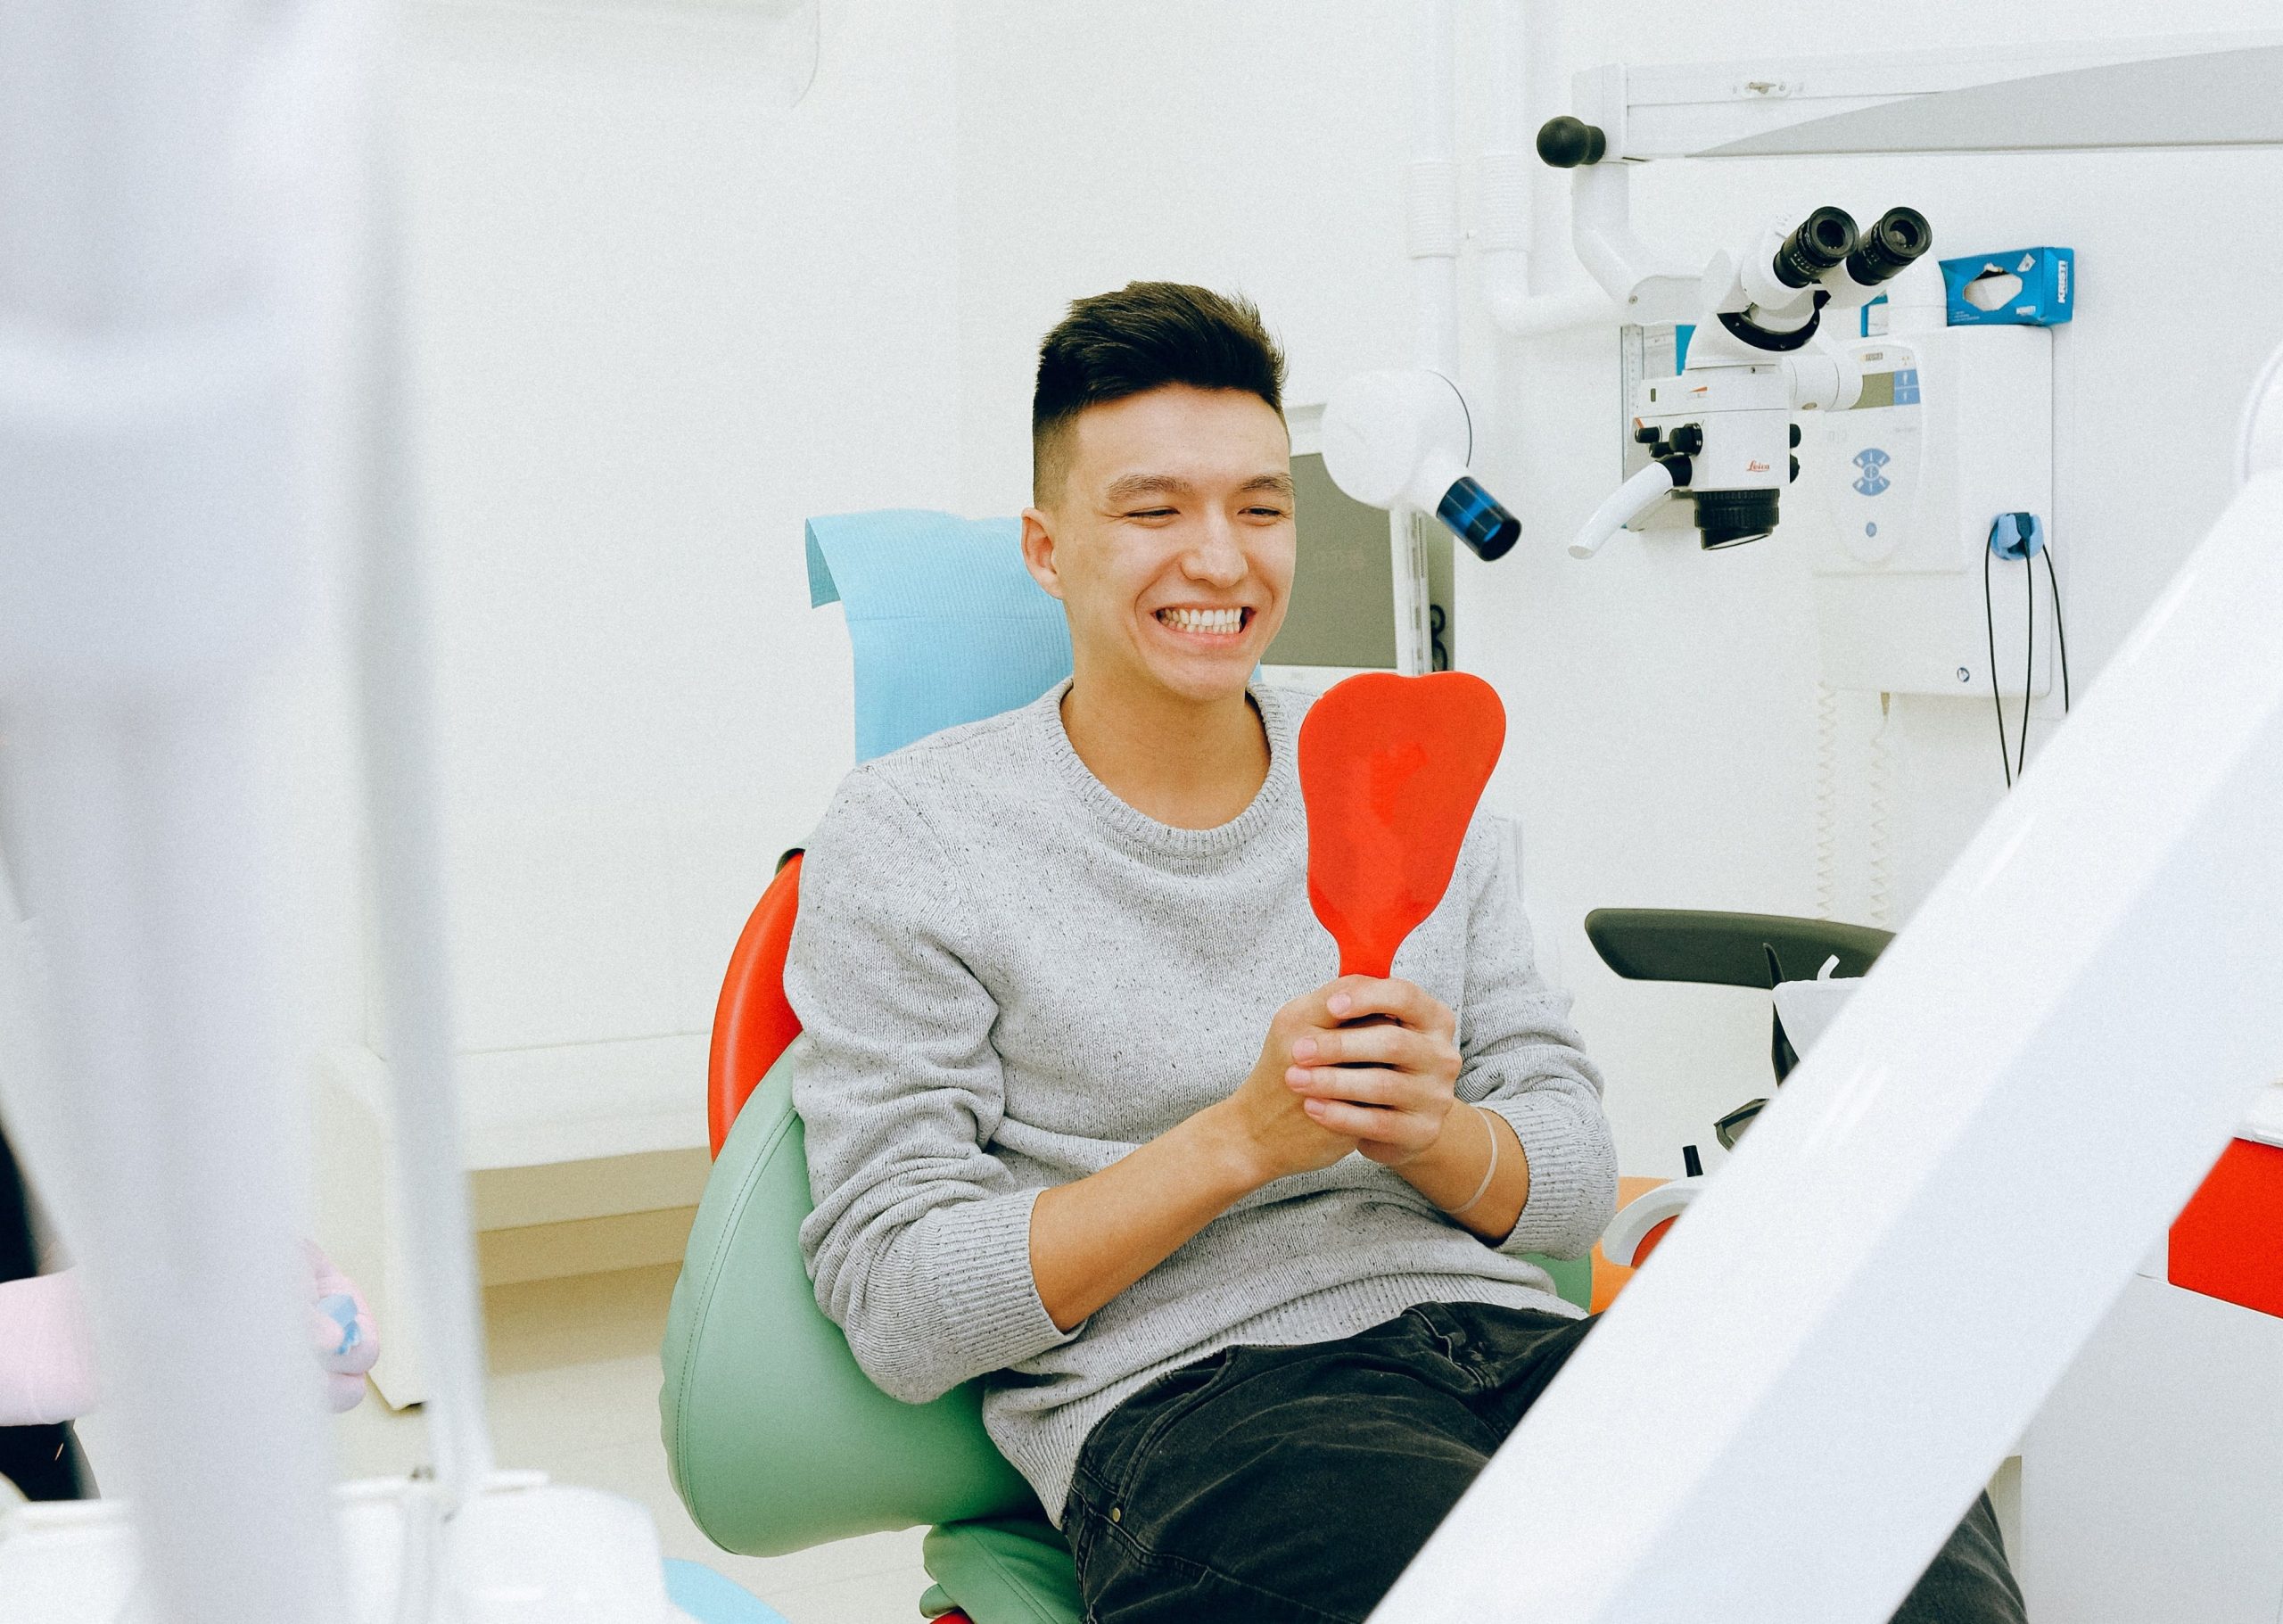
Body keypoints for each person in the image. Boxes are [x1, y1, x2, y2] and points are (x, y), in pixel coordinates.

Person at [787, 282, 2025, 1623]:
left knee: (1878, 1485)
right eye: (1155, 511)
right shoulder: (917, 832)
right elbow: (902, 1310)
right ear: (1047, 547)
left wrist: (1432, 1131)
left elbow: (1558, 1182)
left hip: (1508, 1343)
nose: (1221, 558)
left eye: (1260, 507)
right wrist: (1245, 1138)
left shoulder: (1399, 752)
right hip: (1206, 1402)